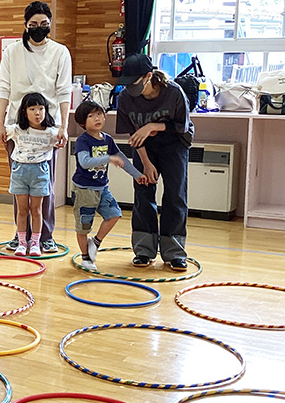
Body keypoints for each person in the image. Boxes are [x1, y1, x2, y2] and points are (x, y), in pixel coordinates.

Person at [0, 2, 72, 251]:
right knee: (19, 183)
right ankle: (20, 236)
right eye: (33, 25)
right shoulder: (12, 52)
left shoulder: (60, 52)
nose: (38, 29)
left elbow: (64, 91)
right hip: (15, 126)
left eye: (44, 25)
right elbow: (4, 88)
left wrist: (64, 126)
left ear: (50, 24)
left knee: (43, 184)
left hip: (47, 127)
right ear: (25, 25)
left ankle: (44, 236)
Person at [116, 53, 194, 271]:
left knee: (175, 195)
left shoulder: (173, 92)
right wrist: (146, 164)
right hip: (144, 148)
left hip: (174, 144)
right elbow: (133, 135)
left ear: (148, 76)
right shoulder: (125, 99)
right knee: (143, 193)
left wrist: (152, 126)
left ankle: (174, 251)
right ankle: (144, 250)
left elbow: (182, 127)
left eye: (134, 82)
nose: (129, 87)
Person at [71, 100, 146, 272]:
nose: (97, 118)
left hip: (102, 189)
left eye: (99, 114)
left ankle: (95, 242)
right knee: (83, 226)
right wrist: (108, 158)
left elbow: (122, 160)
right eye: (91, 116)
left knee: (114, 215)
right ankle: (85, 257)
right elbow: (84, 162)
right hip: (85, 190)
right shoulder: (84, 141)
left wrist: (138, 175)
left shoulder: (108, 140)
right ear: (83, 122)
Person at [4, 93, 60, 256]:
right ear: (24, 112)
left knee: (36, 210)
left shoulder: (51, 132)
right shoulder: (17, 130)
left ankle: (35, 242)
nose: (37, 113)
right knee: (22, 210)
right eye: (32, 108)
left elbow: (62, 140)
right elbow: (2, 133)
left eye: (41, 108)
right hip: (20, 172)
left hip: (40, 172)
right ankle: (22, 243)